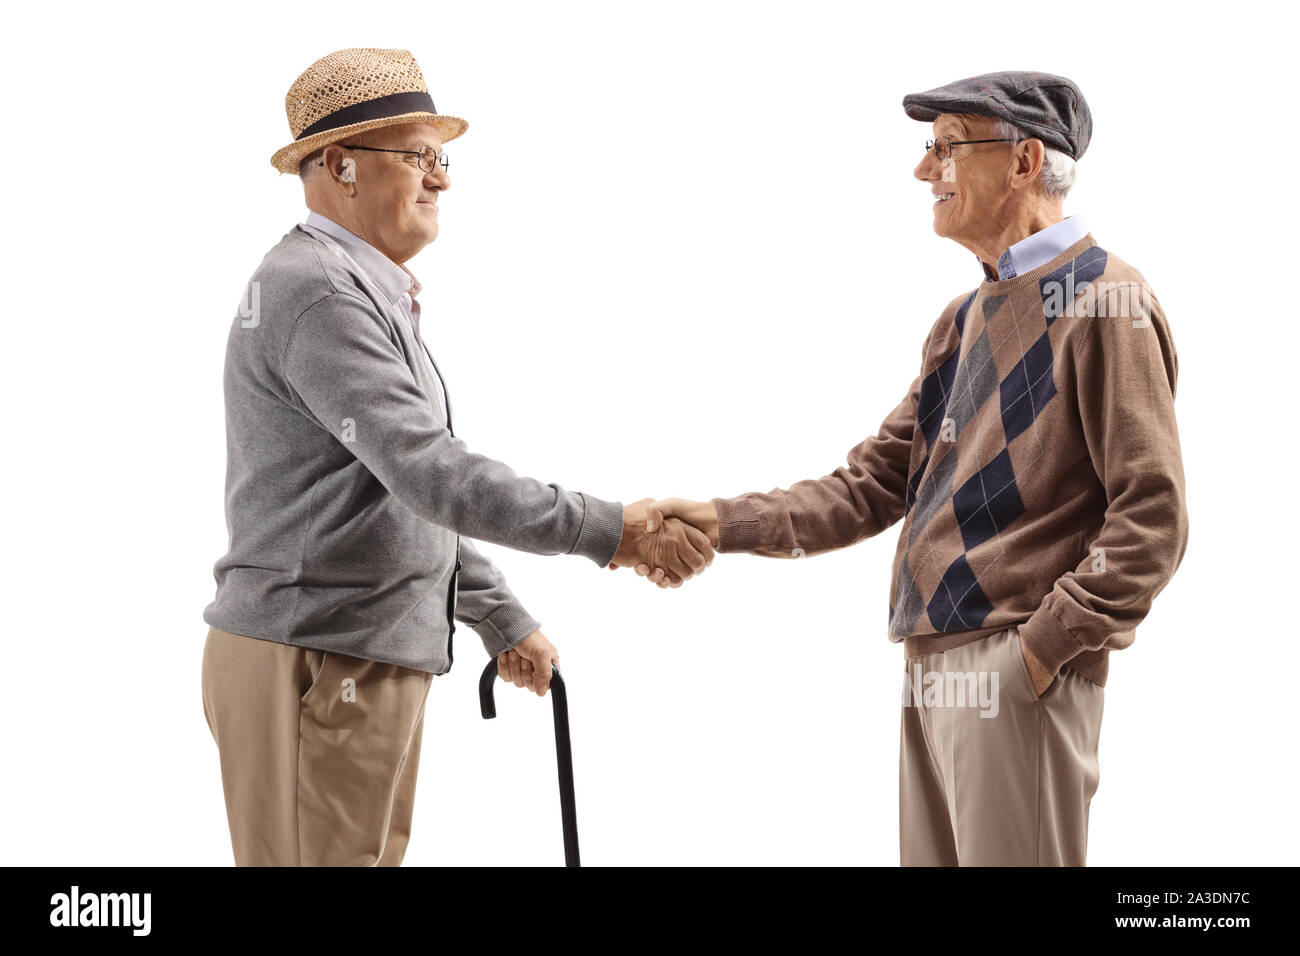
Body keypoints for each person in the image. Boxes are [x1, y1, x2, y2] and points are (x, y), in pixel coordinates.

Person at [639, 72, 1188, 866]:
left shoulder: (1110, 302)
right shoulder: (963, 321)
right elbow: (867, 487)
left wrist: (1038, 651)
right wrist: (718, 522)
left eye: (947, 148)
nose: (925, 171)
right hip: (931, 669)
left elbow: (1153, 518)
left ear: (1026, 160)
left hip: (1013, 672)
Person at [200, 47, 712, 866]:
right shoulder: (323, 293)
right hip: (321, 658)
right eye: (419, 157)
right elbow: (433, 474)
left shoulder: (354, 288)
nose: (442, 180)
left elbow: (392, 492)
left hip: (349, 653)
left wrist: (498, 614)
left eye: (442, 158)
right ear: (340, 165)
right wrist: (612, 530)